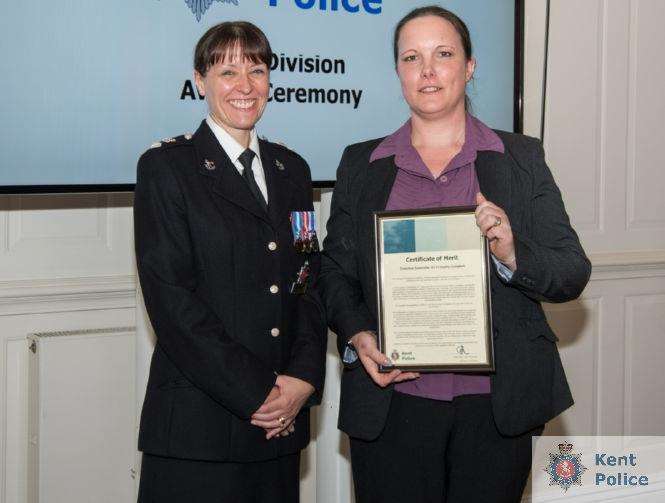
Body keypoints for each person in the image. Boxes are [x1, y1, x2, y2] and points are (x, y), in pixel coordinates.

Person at [319, 5, 591, 503]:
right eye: (411, 57)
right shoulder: (362, 163)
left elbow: (571, 271)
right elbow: (334, 272)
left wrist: (511, 250)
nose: (427, 70)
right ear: (397, 71)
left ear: (469, 67)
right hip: (392, 399)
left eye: (443, 54)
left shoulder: (521, 158)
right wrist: (359, 335)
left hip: (497, 407)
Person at [134, 21, 326, 503]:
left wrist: (303, 379)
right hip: (199, 432)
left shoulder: (293, 170)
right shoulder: (166, 169)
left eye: (257, 71)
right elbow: (172, 303)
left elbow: (307, 277)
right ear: (200, 81)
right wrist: (258, 392)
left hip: (280, 426)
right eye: (228, 72)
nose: (245, 86)